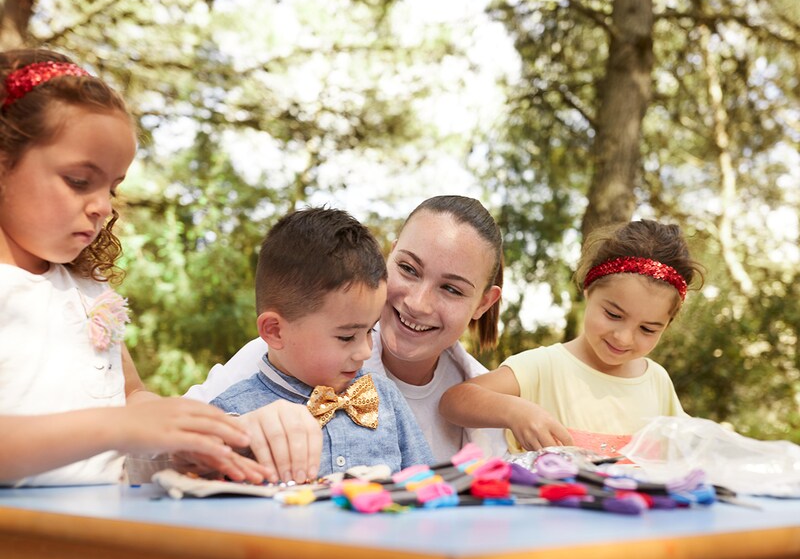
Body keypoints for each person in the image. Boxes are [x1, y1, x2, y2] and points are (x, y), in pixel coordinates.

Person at [0, 48, 271, 486]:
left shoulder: (89, 289)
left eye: (113, 186)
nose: (103, 207)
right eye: (79, 181)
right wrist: (116, 428)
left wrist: (173, 427)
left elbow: (129, 394)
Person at [186, 195, 506, 476]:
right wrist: (235, 432)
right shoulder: (284, 349)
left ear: (483, 304)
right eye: (408, 269)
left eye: (451, 289)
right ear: (390, 258)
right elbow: (165, 450)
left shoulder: (483, 397)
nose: (417, 303)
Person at [439, 219, 704, 453]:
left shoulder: (656, 381)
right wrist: (514, 411)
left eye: (648, 329)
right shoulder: (543, 367)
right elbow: (454, 401)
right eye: (613, 314)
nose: (624, 338)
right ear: (588, 290)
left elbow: (686, 446)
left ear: (667, 325)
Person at [209, 207, 434, 476]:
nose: (364, 351)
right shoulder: (232, 416)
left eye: (370, 332)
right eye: (346, 336)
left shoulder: (385, 398)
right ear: (275, 331)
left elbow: (428, 485)